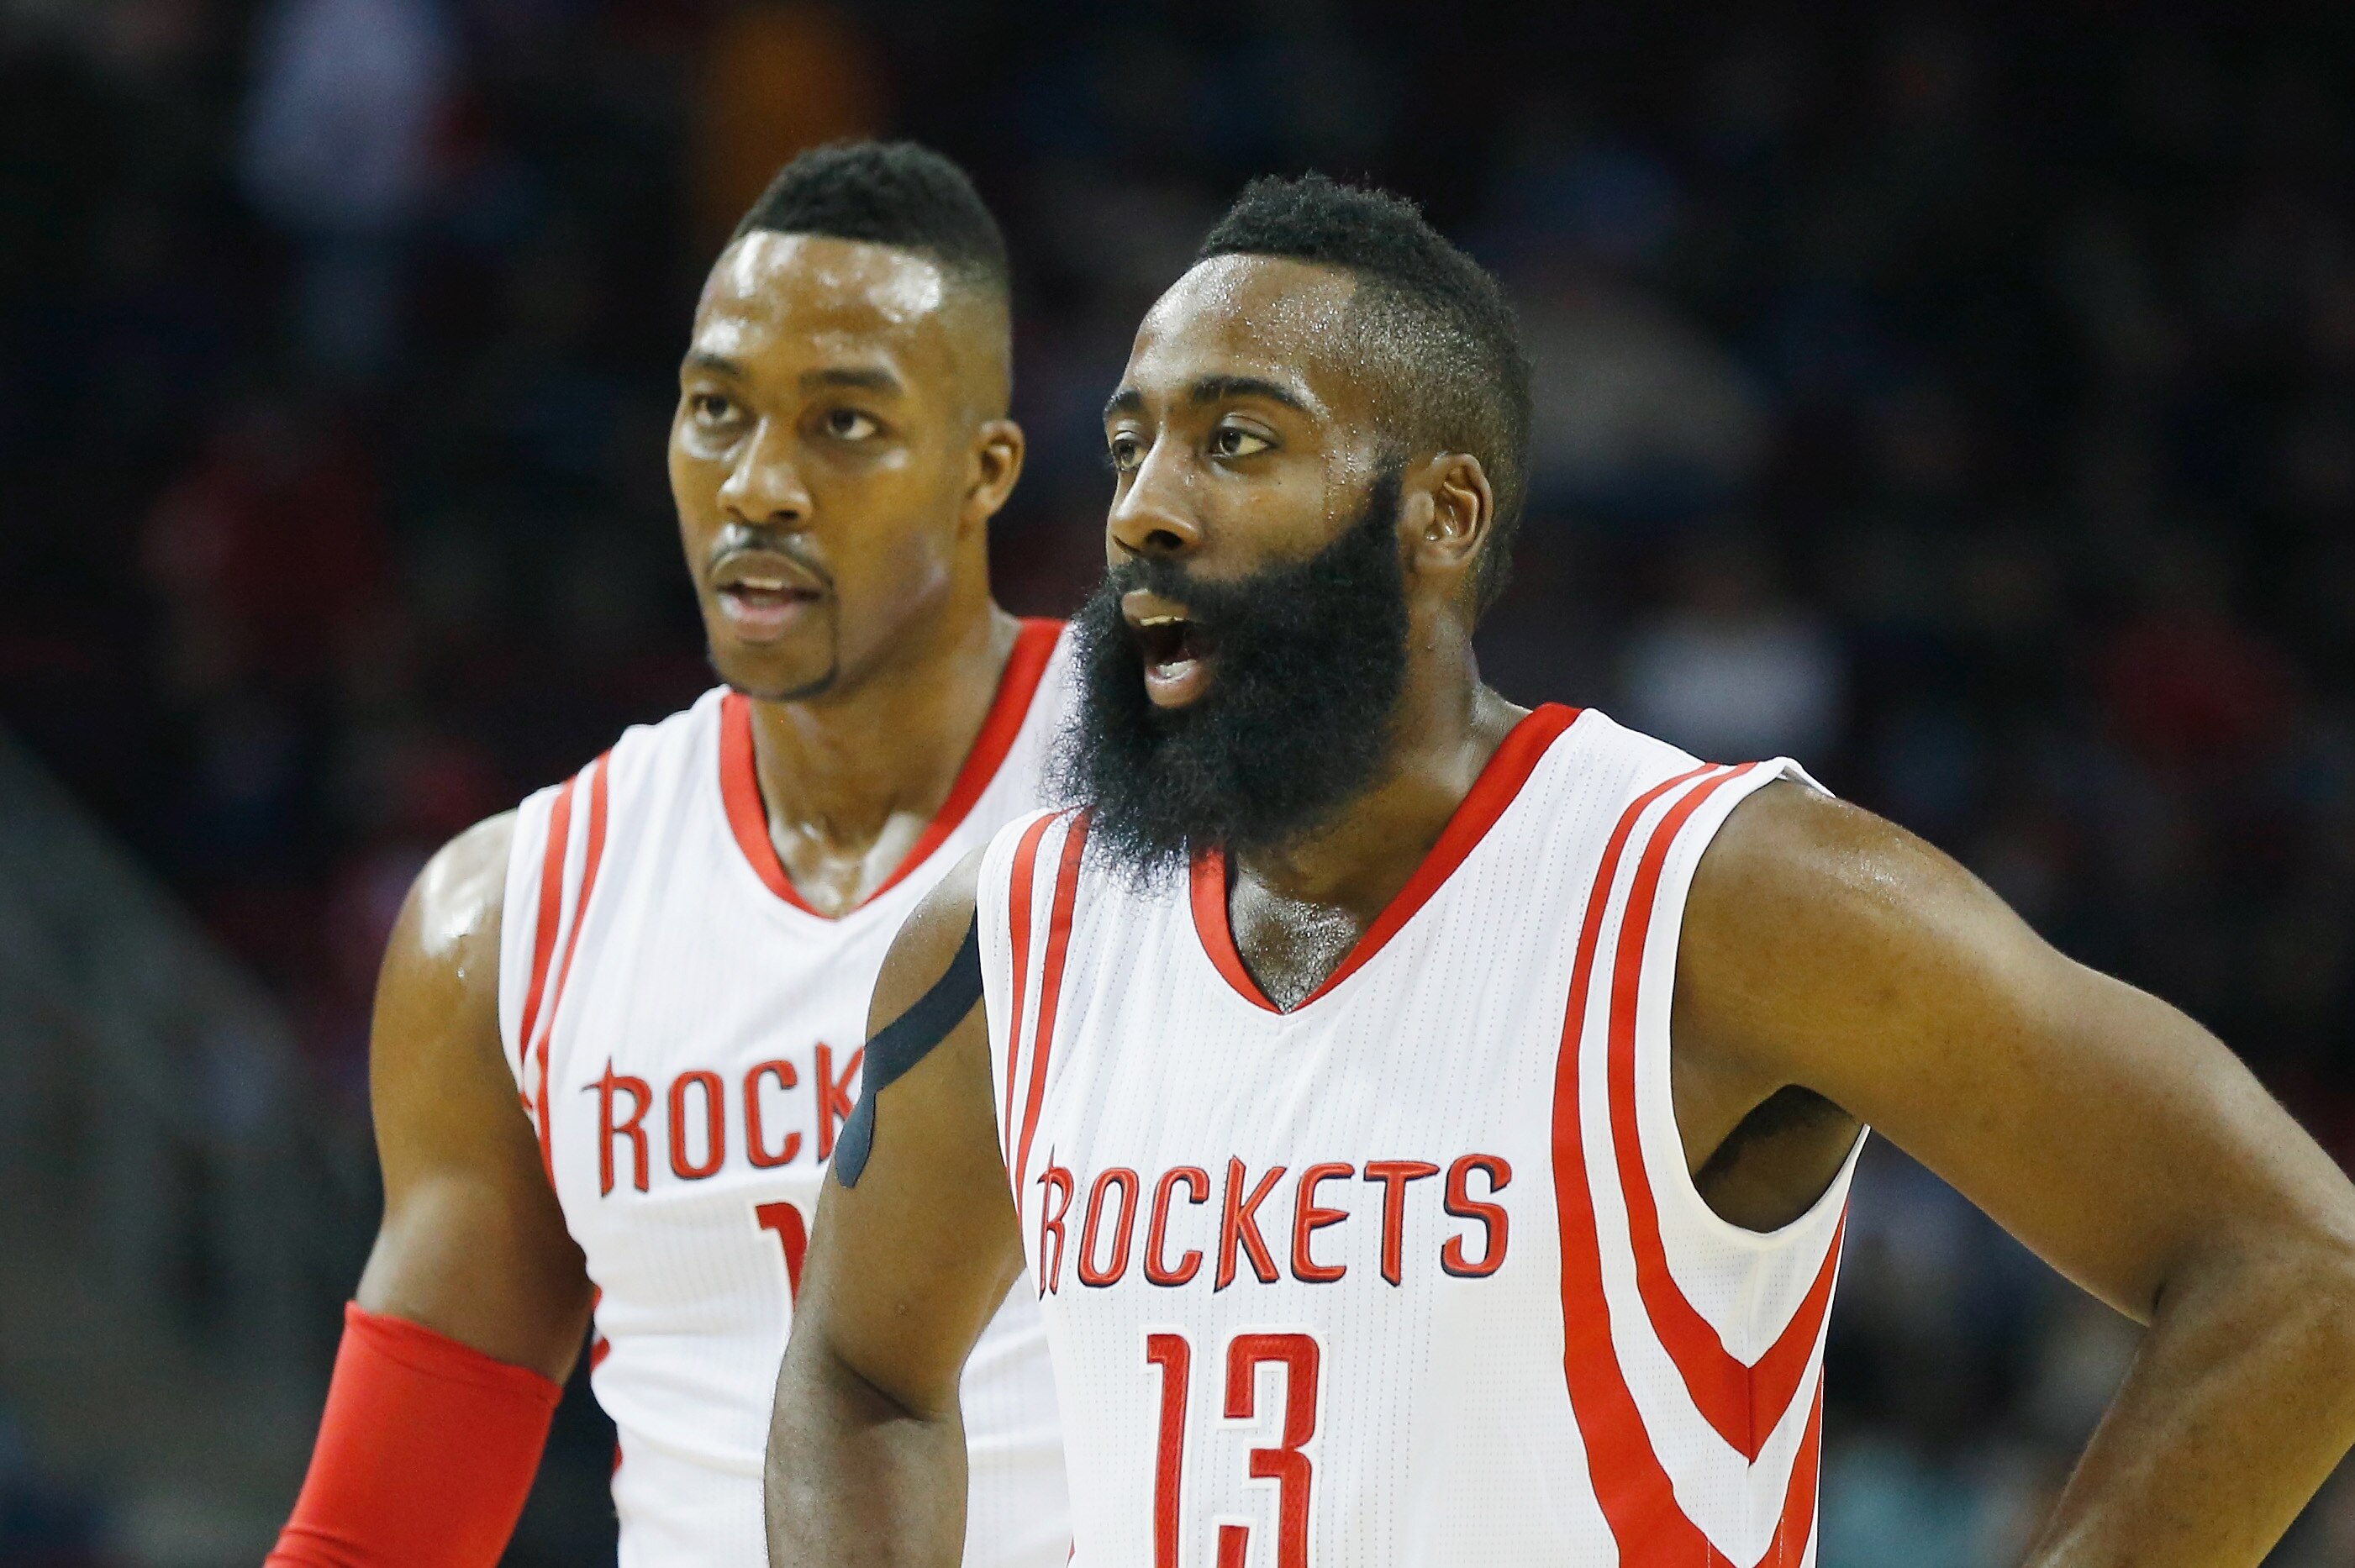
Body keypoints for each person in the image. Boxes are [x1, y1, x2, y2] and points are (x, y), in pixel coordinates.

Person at [764, 174, 2355, 1568]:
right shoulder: (1011, 940)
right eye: (1129, 446)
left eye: (1235, 442)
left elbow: (2301, 1266)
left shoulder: (1717, 895)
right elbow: (858, 1372)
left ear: (1439, 515)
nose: (1143, 513)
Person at [268, 141, 1072, 1568]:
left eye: (842, 422)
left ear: (982, 468)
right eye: (717, 411)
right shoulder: (513, 918)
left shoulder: (1182, 813)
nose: (759, 484)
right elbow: (383, 1537)